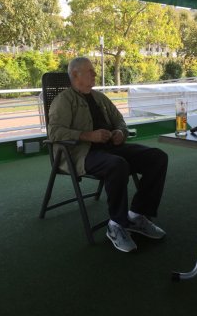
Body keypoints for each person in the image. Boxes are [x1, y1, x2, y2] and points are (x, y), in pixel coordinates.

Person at [48, 57, 168, 253]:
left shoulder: (99, 98)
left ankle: (137, 215)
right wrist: (88, 135)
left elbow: (119, 121)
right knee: (117, 165)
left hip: (111, 148)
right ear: (75, 74)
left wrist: (120, 132)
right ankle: (116, 224)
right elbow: (54, 133)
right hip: (82, 153)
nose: (95, 74)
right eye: (90, 71)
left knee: (157, 157)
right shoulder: (63, 100)